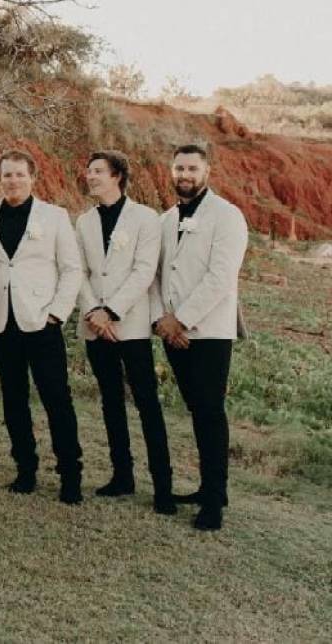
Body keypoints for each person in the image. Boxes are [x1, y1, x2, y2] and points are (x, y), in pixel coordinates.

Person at [0, 149, 84, 503]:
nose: (13, 180)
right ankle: (25, 470)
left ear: (32, 177)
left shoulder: (54, 216)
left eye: (20, 174)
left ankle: (70, 474)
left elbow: (71, 269)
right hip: (1, 321)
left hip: (42, 322)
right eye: (7, 175)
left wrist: (57, 313)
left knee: (56, 398)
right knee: (14, 399)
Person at [151, 143, 248, 531]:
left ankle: (213, 500)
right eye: (178, 168)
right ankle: (211, 488)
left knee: (209, 411)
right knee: (196, 409)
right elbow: (156, 275)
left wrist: (183, 320)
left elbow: (221, 277)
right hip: (171, 331)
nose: (184, 175)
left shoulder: (227, 216)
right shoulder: (164, 219)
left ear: (206, 171)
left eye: (192, 168)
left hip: (208, 331)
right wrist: (163, 320)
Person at [76, 151, 174, 514]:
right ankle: (122, 476)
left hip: (129, 325)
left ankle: (163, 486)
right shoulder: (84, 222)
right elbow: (80, 272)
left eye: (98, 171)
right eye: (89, 171)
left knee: (147, 403)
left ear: (117, 176)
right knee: (110, 401)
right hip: (94, 326)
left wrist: (112, 311)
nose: (90, 176)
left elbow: (144, 271)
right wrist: (93, 312)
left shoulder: (146, 218)